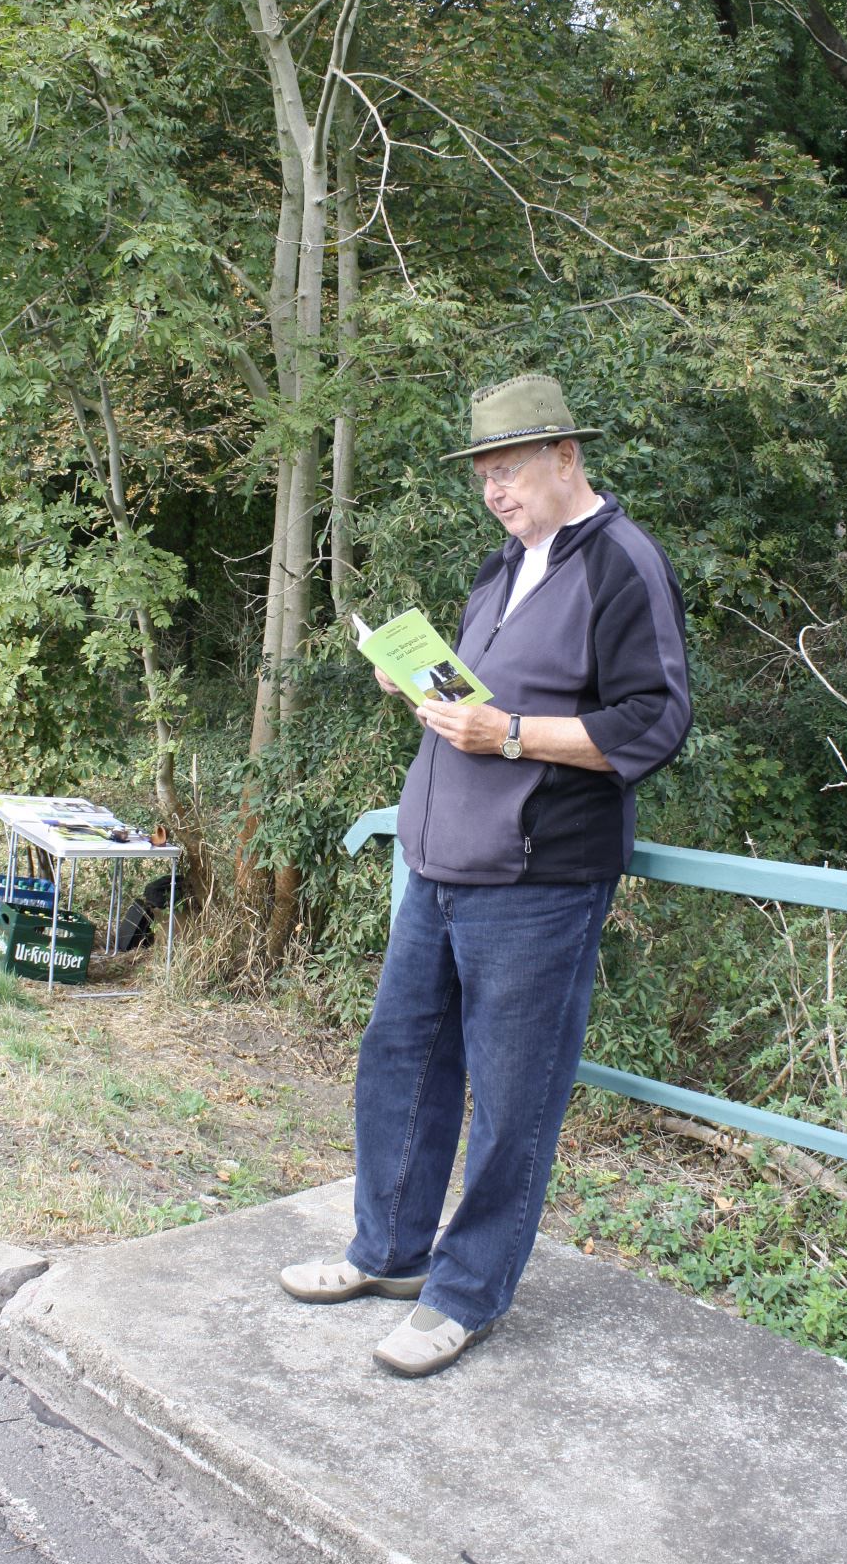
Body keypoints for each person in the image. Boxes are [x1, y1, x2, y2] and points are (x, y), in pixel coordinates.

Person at [281, 372, 692, 1376]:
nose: (494, 492)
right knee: (401, 1060)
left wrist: (507, 735)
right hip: (438, 861)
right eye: (483, 476)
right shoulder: (500, 566)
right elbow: (479, 696)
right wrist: (415, 681)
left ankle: (464, 1295)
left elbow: (653, 721)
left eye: (508, 470)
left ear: (565, 457)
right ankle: (387, 1255)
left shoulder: (624, 564)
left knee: (513, 1099)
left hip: (540, 879)